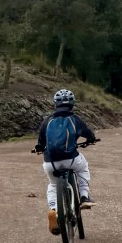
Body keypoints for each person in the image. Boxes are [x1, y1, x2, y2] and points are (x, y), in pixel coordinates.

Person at [34, 89, 97, 234]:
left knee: (53, 185)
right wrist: (91, 140)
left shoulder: (47, 121)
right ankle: (83, 196)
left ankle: (54, 210)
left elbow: (40, 143)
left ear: (55, 104)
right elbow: (89, 134)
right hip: (71, 160)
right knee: (83, 168)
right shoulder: (75, 119)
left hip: (51, 163)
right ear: (72, 104)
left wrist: (38, 149)